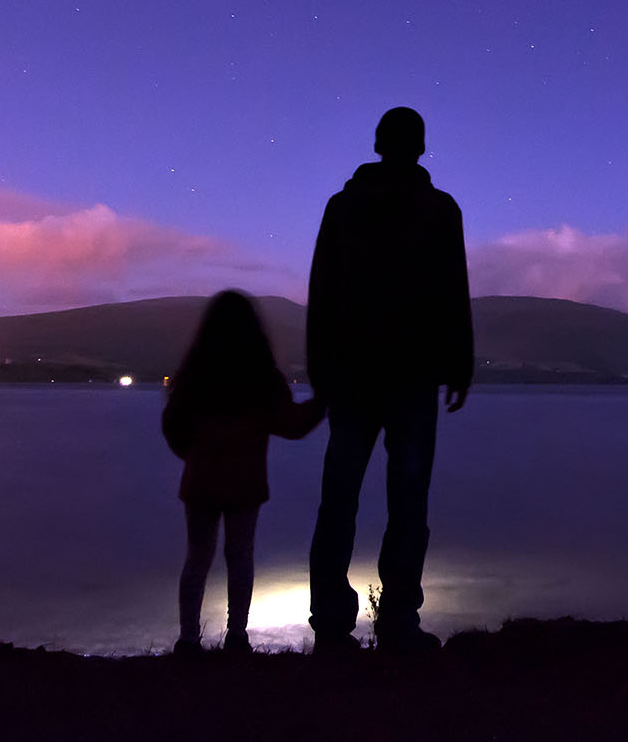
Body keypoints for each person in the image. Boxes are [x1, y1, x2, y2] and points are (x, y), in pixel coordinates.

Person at [307, 107, 473, 654]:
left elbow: (322, 290)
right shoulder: (441, 210)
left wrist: (319, 368)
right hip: (413, 374)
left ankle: (333, 621)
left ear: (378, 142)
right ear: (422, 147)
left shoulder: (343, 207)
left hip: (354, 372)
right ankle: (398, 617)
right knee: (408, 500)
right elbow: (454, 291)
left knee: (340, 498)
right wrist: (459, 363)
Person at [161, 290, 324, 654]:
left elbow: (172, 425)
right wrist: (324, 401)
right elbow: (292, 424)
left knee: (197, 558)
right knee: (240, 556)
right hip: (245, 481)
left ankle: (188, 640)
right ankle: (237, 636)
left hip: (201, 480)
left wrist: (193, 456)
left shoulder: (194, 377)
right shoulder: (262, 378)